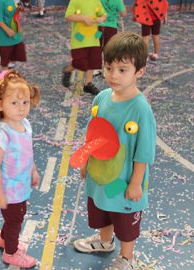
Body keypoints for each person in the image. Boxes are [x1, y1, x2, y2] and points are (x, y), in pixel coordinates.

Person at [72, 32, 156, 270]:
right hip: (101, 173)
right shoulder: (101, 97)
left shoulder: (141, 109)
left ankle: (127, 259)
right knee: (102, 208)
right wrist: (86, 162)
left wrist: (136, 183)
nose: (113, 75)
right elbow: (94, 134)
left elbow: (144, 152)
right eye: (109, 68)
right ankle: (105, 241)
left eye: (122, 70)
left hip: (125, 179)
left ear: (139, 72)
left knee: (125, 220)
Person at [0, 70, 40, 268]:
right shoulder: (1, 133)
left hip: (21, 184)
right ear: (0, 104)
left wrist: (33, 170)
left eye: (25, 102)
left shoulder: (25, 124)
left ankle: (3, 240)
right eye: (14, 103)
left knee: (14, 218)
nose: (21, 108)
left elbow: (28, 151)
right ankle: (10, 253)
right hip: (9, 190)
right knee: (15, 220)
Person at [62, 0, 106, 95]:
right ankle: (67, 70)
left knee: (93, 62)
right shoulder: (75, 1)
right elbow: (68, 16)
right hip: (79, 39)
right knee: (79, 63)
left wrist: (101, 19)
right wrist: (83, 18)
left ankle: (88, 84)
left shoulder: (96, 1)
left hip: (93, 38)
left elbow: (103, 14)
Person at [0, 0, 26, 70]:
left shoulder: (17, 0)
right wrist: (7, 30)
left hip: (16, 34)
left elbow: (19, 10)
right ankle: (5, 77)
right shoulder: (1, 1)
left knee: (15, 54)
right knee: (5, 58)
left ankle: (10, 67)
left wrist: (22, 6)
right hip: (5, 35)